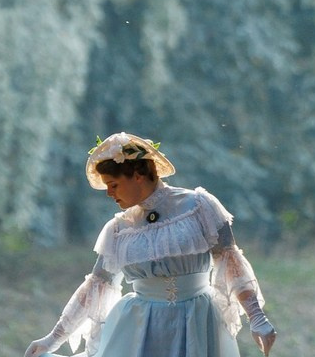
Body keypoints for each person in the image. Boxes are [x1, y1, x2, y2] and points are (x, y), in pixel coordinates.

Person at [24, 133, 277, 357]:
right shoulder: (118, 229)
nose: (109, 193)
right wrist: (54, 338)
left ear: (138, 176)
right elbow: (97, 285)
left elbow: (229, 261)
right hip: (141, 325)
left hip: (197, 321)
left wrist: (257, 316)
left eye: (113, 185)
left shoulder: (199, 206)